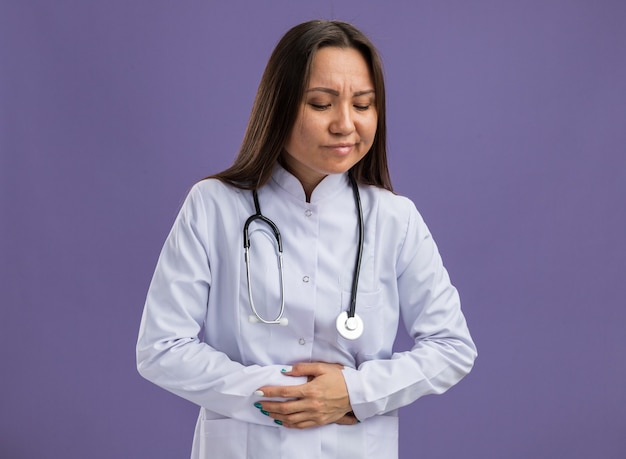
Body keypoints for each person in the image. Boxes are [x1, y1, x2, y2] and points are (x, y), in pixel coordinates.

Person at [136, 19, 477, 459]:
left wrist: (355, 391)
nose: (345, 124)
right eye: (321, 104)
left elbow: (452, 348)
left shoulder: (395, 218)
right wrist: (282, 396)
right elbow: (161, 349)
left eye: (363, 104)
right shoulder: (213, 206)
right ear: (279, 105)